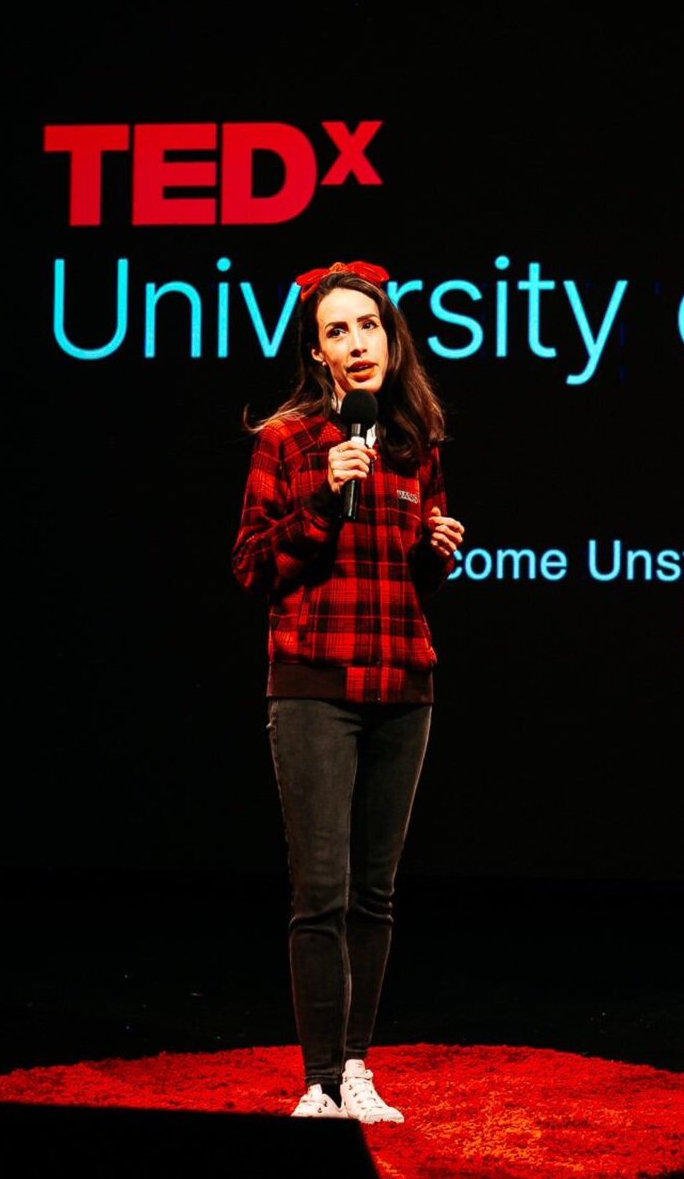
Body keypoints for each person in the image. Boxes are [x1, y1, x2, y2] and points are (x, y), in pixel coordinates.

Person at [231, 259, 465, 1123]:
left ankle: (358, 1069)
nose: (355, 343)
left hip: (404, 680)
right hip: (313, 683)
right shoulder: (286, 441)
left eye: (366, 326)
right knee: (319, 893)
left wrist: (435, 553)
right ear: (319, 352)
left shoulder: (414, 440)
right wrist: (323, 504)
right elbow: (254, 567)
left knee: (374, 894)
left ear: (389, 336)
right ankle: (320, 1082)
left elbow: (405, 574)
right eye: (337, 331)